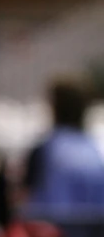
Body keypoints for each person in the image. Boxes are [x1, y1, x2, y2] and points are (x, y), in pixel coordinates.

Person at [22, 76, 104, 216]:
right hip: (94, 234)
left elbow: (24, 197)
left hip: (53, 231)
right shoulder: (96, 149)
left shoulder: (45, 150)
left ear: (54, 108)